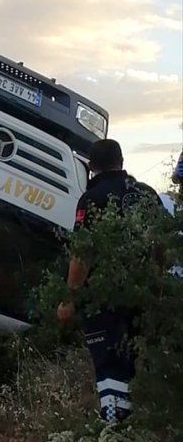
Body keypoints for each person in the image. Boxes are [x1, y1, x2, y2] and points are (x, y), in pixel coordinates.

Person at [57, 138, 163, 423]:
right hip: (145, 296)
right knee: (136, 364)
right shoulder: (148, 194)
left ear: (91, 167)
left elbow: (81, 253)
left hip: (104, 299)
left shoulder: (92, 199)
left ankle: (115, 428)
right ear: (122, 162)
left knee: (110, 365)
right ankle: (142, 426)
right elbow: (161, 243)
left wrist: (70, 299)